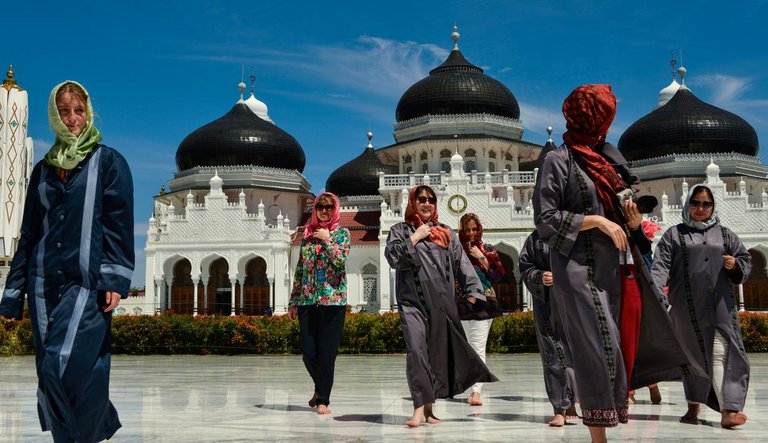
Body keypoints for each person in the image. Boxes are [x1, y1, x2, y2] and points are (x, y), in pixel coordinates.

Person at [0, 81, 135, 442]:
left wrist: (114, 278)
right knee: (55, 373)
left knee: (61, 365)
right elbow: (29, 235)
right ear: (54, 116)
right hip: (43, 287)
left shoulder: (107, 162)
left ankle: (91, 428)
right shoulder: (43, 170)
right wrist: (12, 296)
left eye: (78, 111)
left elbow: (118, 225)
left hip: (86, 285)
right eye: (64, 111)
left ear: (88, 113)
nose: (72, 119)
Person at [534, 84, 639, 442]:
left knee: (612, 346)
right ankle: (599, 438)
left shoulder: (608, 161)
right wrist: (595, 221)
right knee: (597, 346)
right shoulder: (558, 160)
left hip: (610, 267)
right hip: (575, 267)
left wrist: (631, 221)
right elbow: (545, 219)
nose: (608, 126)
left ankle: (602, 432)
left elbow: (622, 216)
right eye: (606, 116)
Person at [385, 185, 497, 427]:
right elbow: (393, 257)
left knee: (436, 356)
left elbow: (462, 265)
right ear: (413, 203)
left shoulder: (445, 233)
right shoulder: (400, 230)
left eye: (431, 200)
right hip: (412, 302)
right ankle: (418, 407)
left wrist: (473, 291)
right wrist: (414, 238)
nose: (426, 203)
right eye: (421, 199)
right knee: (417, 352)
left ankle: (429, 408)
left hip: (442, 304)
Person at [651, 184, 751, 428]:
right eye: (695, 203)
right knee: (693, 359)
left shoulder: (725, 235)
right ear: (688, 204)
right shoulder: (674, 235)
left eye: (706, 204)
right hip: (687, 309)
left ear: (713, 207)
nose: (700, 208)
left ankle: (728, 410)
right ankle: (693, 408)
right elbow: (660, 267)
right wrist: (657, 297)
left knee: (721, 354)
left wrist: (735, 265)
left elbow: (745, 260)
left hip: (720, 306)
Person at [288, 192, 350, 415]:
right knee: (308, 352)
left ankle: (323, 399)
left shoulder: (342, 234)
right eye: (321, 207)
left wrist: (327, 239)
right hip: (307, 300)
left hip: (332, 303)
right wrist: (293, 301)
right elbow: (300, 271)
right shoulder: (306, 236)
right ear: (315, 209)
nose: (325, 211)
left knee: (327, 353)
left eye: (329, 207)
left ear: (335, 210)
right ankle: (320, 387)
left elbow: (341, 260)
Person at [519, 229, 578, 427]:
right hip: (547, 304)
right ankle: (560, 408)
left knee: (575, 352)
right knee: (553, 354)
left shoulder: (575, 233)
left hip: (574, 303)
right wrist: (540, 276)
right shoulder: (535, 239)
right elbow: (525, 266)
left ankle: (574, 403)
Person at [457, 213, 505, 406]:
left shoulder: (488, 249)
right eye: (467, 229)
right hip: (461, 303)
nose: (471, 233)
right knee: (467, 348)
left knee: (477, 346)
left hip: (484, 304)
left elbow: (498, 276)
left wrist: (483, 259)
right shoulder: (457, 250)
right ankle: (470, 389)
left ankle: (476, 392)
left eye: (474, 229)